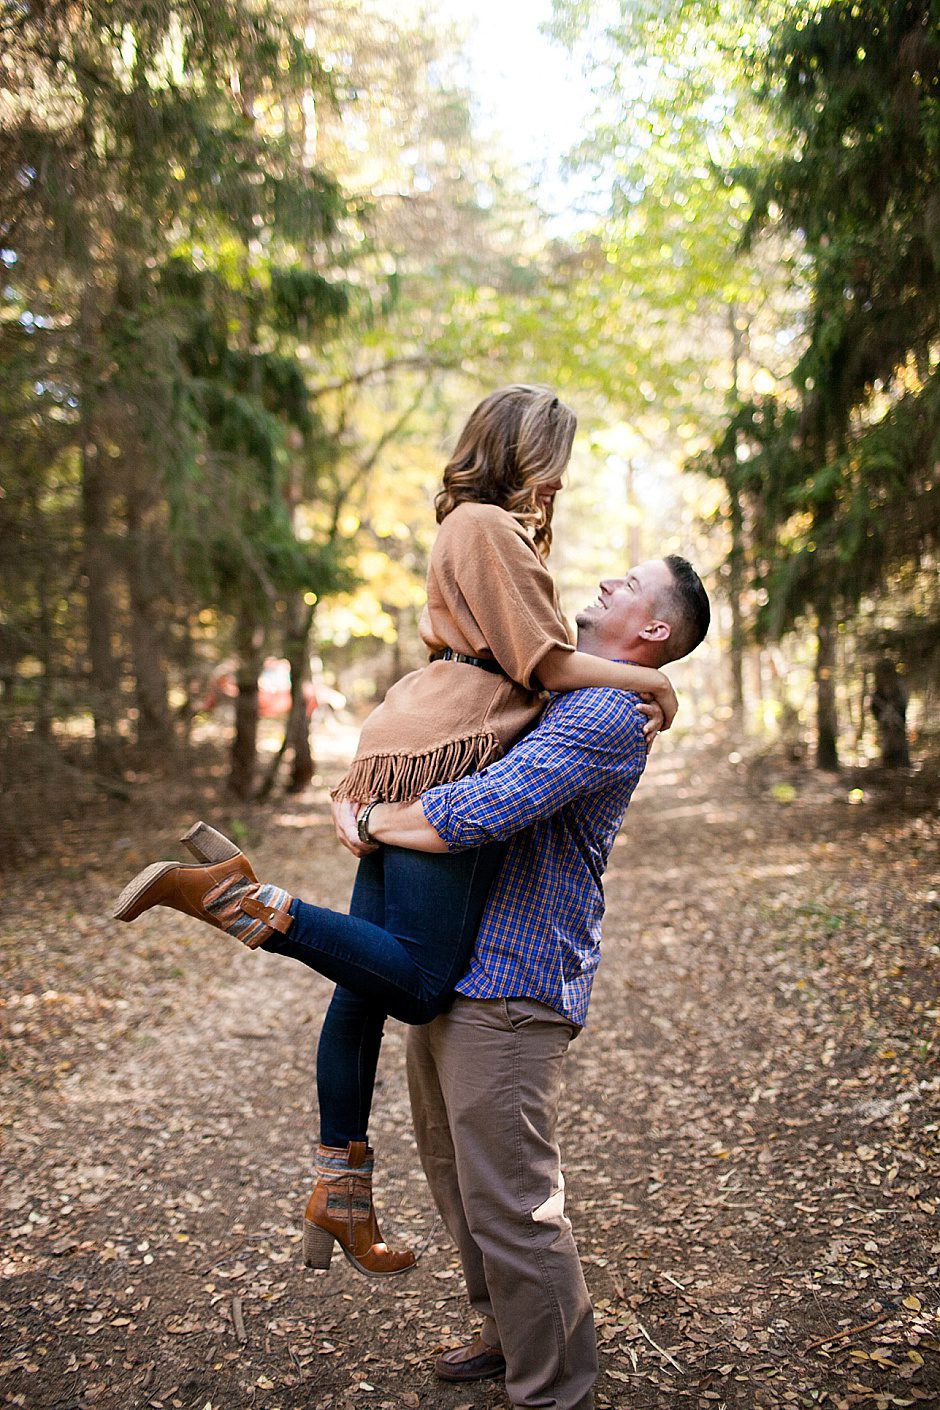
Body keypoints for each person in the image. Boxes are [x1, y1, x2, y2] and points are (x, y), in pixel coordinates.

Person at [112, 387, 679, 1278]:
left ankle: (340, 1186)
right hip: (446, 748)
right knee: (417, 982)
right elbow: (546, 664)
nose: (561, 477)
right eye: (557, 456)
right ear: (527, 451)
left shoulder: (473, 526)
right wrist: (655, 685)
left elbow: (521, 667)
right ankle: (242, 900)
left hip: (420, 728)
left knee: (364, 984)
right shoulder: (490, 527)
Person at [332, 554, 711, 1410]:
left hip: (514, 982)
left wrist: (365, 817)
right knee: (456, 1178)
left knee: (513, 1202)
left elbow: (476, 812)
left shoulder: (611, 714)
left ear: (652, 630)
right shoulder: (553, 687)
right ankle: (507, 1336)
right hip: (448, 966)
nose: (609, 580)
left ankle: (556, 1388)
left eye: (631, 584)